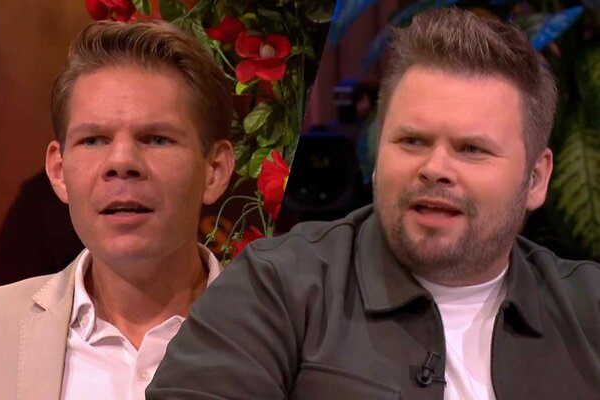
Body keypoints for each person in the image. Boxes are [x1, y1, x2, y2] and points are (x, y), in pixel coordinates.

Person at [147, 8, 600, 400]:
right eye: (412, 141)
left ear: (536, 178)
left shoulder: (589, 308)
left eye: (471, 149)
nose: (434, 168)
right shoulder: (276, 287)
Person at [0, 20, 234, 400]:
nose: (121, 162)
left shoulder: (286, 336)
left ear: (214, 170)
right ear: (59, 171)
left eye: (156, 139)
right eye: (94, 140)